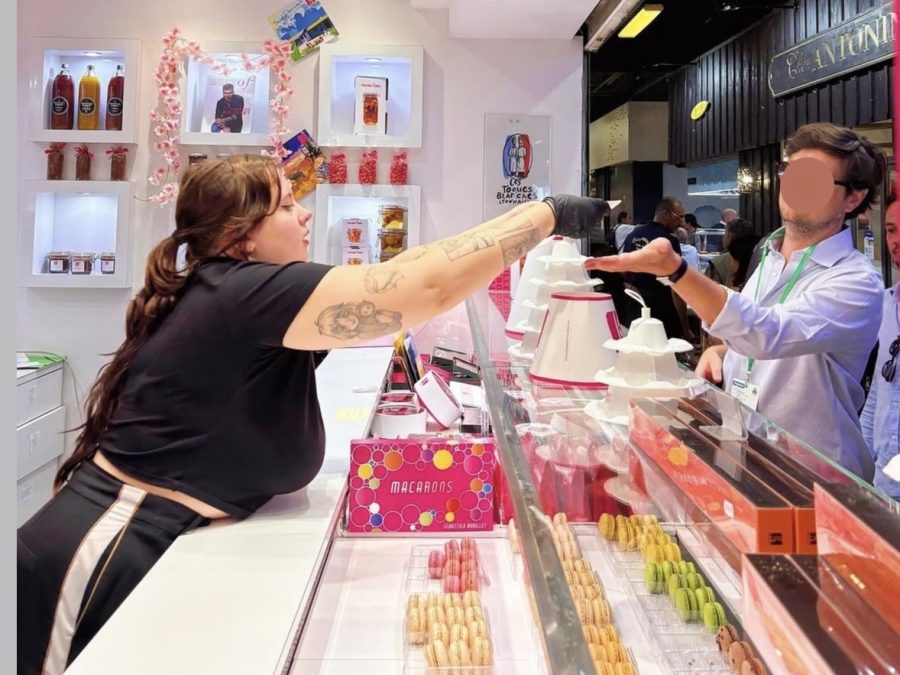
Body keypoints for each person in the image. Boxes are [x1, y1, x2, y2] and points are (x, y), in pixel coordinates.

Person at [16, 153, 611, 674]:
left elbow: (413, 267)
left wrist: (538, 215)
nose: (304, 215)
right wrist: (547, 216)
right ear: (242, 237)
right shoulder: (243, 292)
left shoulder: (240, 290)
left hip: (139, 539)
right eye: (285, 205)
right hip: (101, 551)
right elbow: (425, 287)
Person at [588, 123, 886, 481]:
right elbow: (763, 337)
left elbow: (768, 332)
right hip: (745, 459)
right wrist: (724, 353)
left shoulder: (856, 282)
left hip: (814, 481)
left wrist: (677, 271)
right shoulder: (770, 256)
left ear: (852, 198)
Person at [860, 197, 899, 499]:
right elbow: (878, 394)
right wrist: (860, 468)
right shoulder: (885, 305)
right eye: (891, 230)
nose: (896, 241)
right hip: (884, 484)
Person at [621, 197, 690, 339]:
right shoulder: (668, 241)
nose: (681, 222)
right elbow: (675, 286)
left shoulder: (632, 235)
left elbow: (623, 271)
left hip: (635, 309)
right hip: (662, 310)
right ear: (666, 215)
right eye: (679, 217)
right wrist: (685, 328)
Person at [708, 217, 757, 288]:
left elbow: (709, 290)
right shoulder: (760, 258)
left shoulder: (718, 263)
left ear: (728, 236)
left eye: (725, 234)